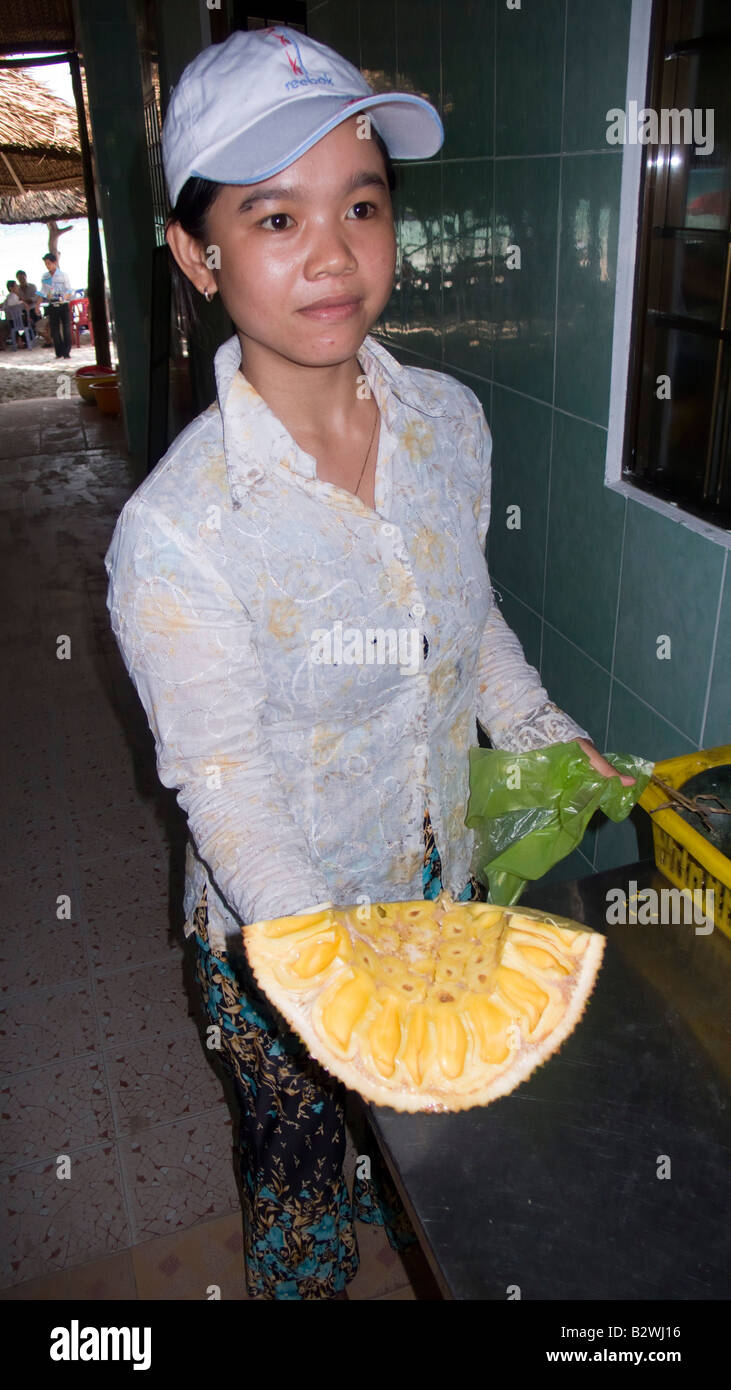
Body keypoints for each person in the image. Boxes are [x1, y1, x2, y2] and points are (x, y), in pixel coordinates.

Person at [105, 26, 634, 1302]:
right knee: (301, 1183)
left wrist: (539, 728)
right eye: (274, 217)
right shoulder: (178, 534)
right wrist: (330, 976)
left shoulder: (450, 422)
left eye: (360, 203)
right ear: (196, 253)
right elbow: (225, 782)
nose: (334, 253)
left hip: (440, 886)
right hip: (282, 940)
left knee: (422, 1142)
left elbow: (468, 620)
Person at [40, 251, 73, 357]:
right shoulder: (45, 277)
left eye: (49, 263)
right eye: (46, 264)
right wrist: (37, 304)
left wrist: (64, 297)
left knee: (66, 328)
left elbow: (69, 290)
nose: (47, 266)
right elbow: (43, 291)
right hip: (52, 304)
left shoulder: (63, 275)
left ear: (55, 262)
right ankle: (59, 352)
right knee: (54, 330)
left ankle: (66, 352)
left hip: (63, 304)